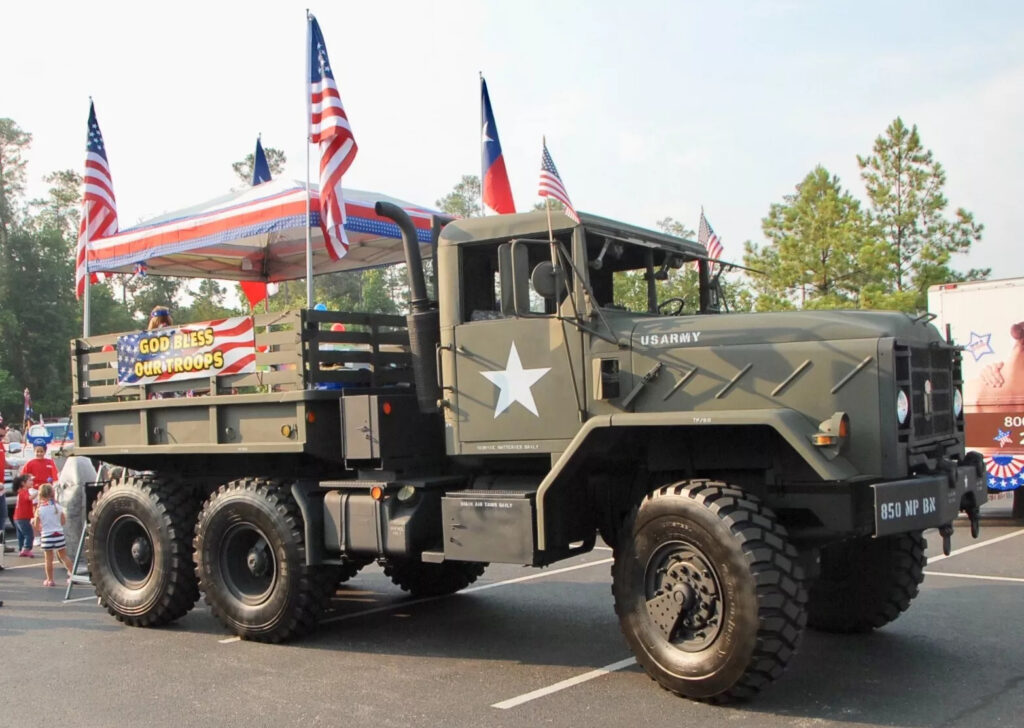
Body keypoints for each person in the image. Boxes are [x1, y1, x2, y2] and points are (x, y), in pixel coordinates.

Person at [32, 483, 74, 586]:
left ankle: (50, 580)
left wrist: (42, 527)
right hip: (59, 534)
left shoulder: (40, 509)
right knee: (64, 556)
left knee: (48, 560)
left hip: (47, 536)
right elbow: (63, 521)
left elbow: (37, 526)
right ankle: (73, 575)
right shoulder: (58, 507)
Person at [12, 474, 36, 556]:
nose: (32, 482)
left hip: (18, 517)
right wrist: (38, 492)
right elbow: (29, 498)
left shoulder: (21, 491)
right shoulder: (24, 491)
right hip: (22, 517)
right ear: (23, 483)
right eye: (29, 480)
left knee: (21, 535)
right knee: (29, 534)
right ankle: (26, 548)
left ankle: (21, 548)